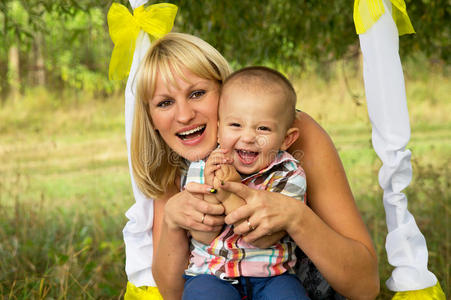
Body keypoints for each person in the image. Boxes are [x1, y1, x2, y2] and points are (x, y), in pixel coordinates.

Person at [124, 32, 380, 300]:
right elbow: (174, 294)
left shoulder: (291, 134)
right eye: (165, 103)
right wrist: (172, 224)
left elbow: (365, 287)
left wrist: (296, 217)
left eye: (197, 93)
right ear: (151, 117)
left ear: (225, 90)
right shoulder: (172, 163)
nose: (185, 115)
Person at [182, 66, 308, 300]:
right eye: (236, 125)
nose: (248, 137)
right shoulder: (202, 167)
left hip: (273, 276)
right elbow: (202, 234)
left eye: (263, 128)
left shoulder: (288, 174)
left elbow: (264, 237)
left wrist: (227, 193)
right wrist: (212, 189)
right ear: (219, 131)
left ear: (286, 138)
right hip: (210, 274)